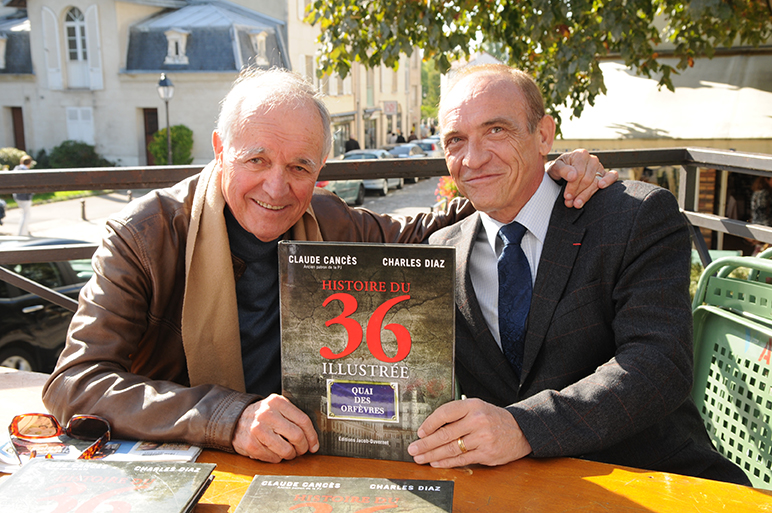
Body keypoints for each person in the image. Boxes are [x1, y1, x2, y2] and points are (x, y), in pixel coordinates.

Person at [42, 67, 610, 464]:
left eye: (300, 167)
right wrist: (227, 418)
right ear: (219, 149)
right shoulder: (145, 235)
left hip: (311, 460)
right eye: (256, 160)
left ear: (320, 168)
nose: (276, 188)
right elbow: (74, 383)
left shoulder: (330, 220)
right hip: (194, 466)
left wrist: (544, 170)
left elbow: (433, 225)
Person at [408, 64, 749, 485]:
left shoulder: (634, 217)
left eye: (496, 130)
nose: (473, 158)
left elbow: (658, 364)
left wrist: (523, 428)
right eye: (455, 140)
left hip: (650, 478)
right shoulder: (441, 252)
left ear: (544, 135)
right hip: (513, 490)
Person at [12, 155, 34, 236]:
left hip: (17, 195)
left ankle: (25, 231)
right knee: (26, 214)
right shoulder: (25, 171)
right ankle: (22, 233)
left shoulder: (16, 169)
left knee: (25, 213)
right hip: (24, 196)